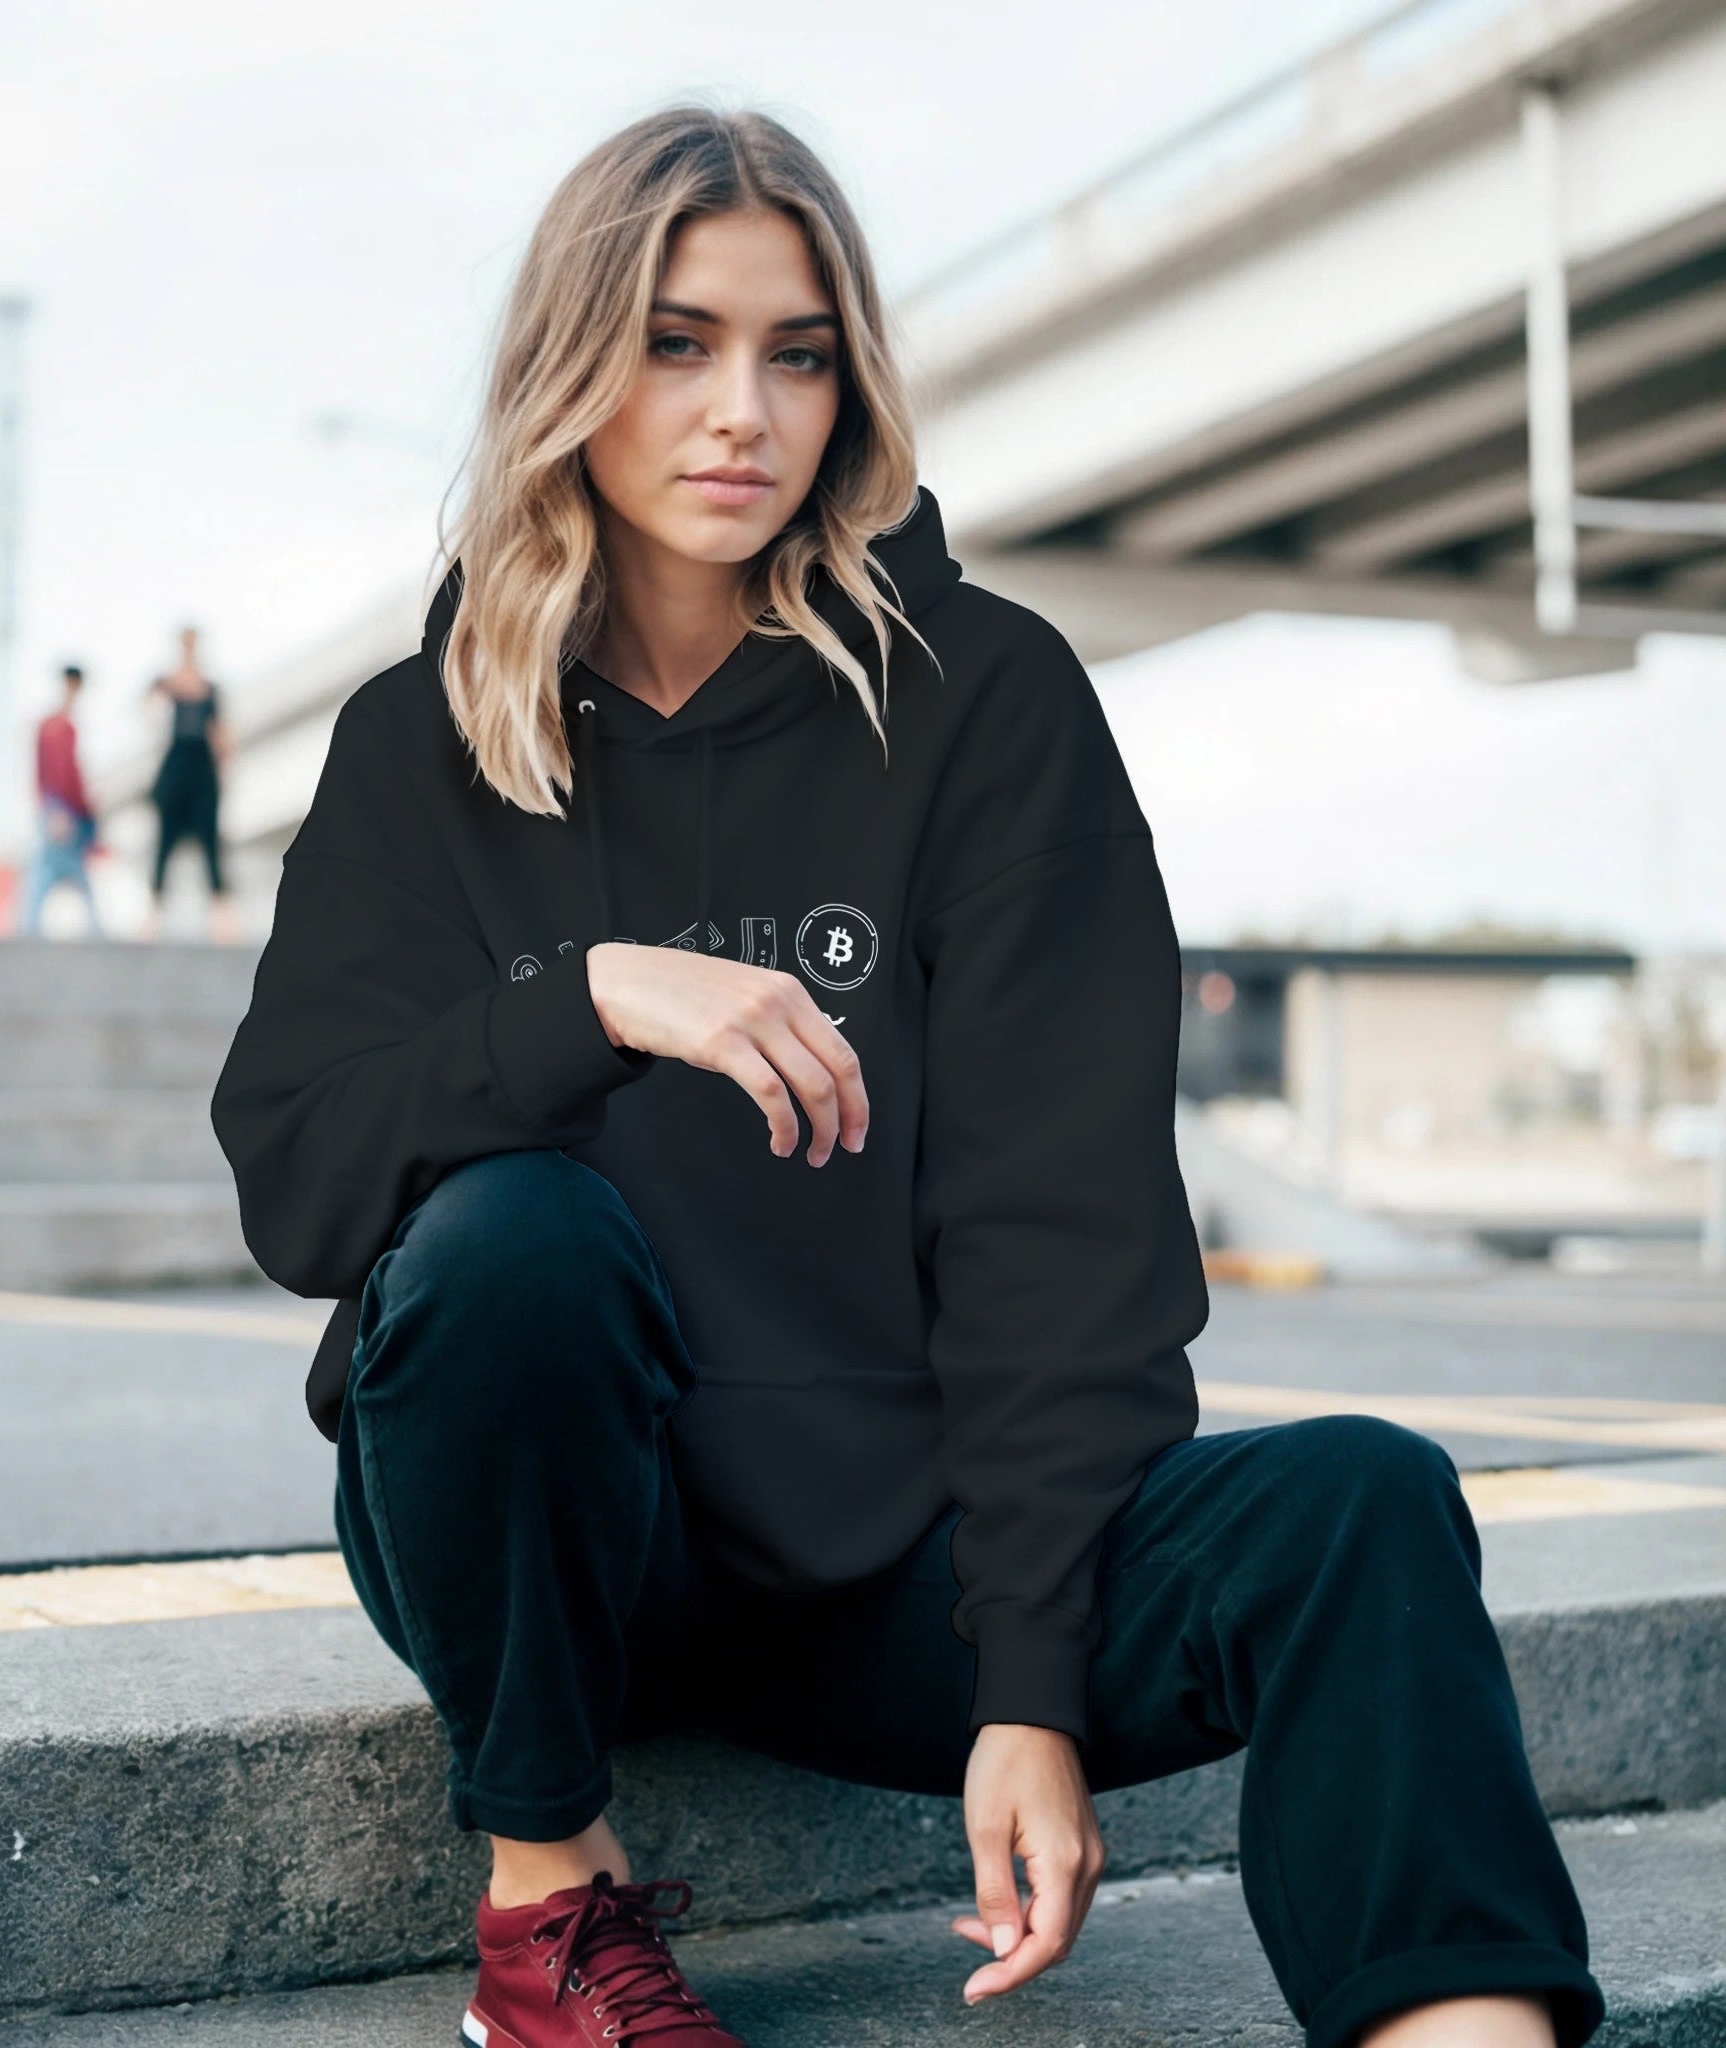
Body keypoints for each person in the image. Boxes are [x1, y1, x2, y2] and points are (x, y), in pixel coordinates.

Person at [209, 108, 1603, 2048]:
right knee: (511, 1235)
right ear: (569, 368)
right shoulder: (422, 741)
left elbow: (1058, 1228)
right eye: (677, 343)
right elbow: (300, 1182)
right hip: (560, 1564)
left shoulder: (985, 699)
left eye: (796, 353)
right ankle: (546, 1906)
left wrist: (1026, 1684)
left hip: (901, 1576)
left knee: (1359, 1500)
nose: (742, 411)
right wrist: (583, 998)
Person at [143, 623, 238, 943]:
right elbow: (149, 712)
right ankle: (152, 918)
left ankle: (223, 921)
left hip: (202, 772)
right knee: (164, 843)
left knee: (211, 845)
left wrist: (224, 769)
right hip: (175, 770)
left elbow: (220, 732)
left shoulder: (210, 688)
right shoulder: (167, 684)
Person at [24, 662, 102, 936]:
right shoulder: (55, 726)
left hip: (65, 808)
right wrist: (55, 809)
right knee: (52, 870)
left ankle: (31, 928)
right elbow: (53, 773)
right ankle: (30, 929)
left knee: (65, 870)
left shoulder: (63, 725)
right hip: (61, 809)